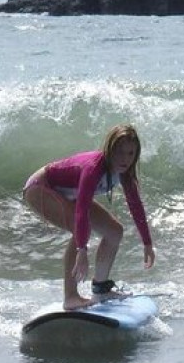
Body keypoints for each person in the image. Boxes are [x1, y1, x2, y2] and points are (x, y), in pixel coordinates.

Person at [23, 124, 156, 310]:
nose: (124, 159)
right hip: (40, 187)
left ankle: (100, 289)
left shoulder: (125, 173)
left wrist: (147, 243)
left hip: (66, 193)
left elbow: (136, 206)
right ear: (109, 150)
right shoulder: (94, 168)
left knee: (114, 231)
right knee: (78, 230)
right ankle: (70, 297)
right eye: (119, 152)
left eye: (130, 153)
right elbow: (82, 209)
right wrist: (82, 250)